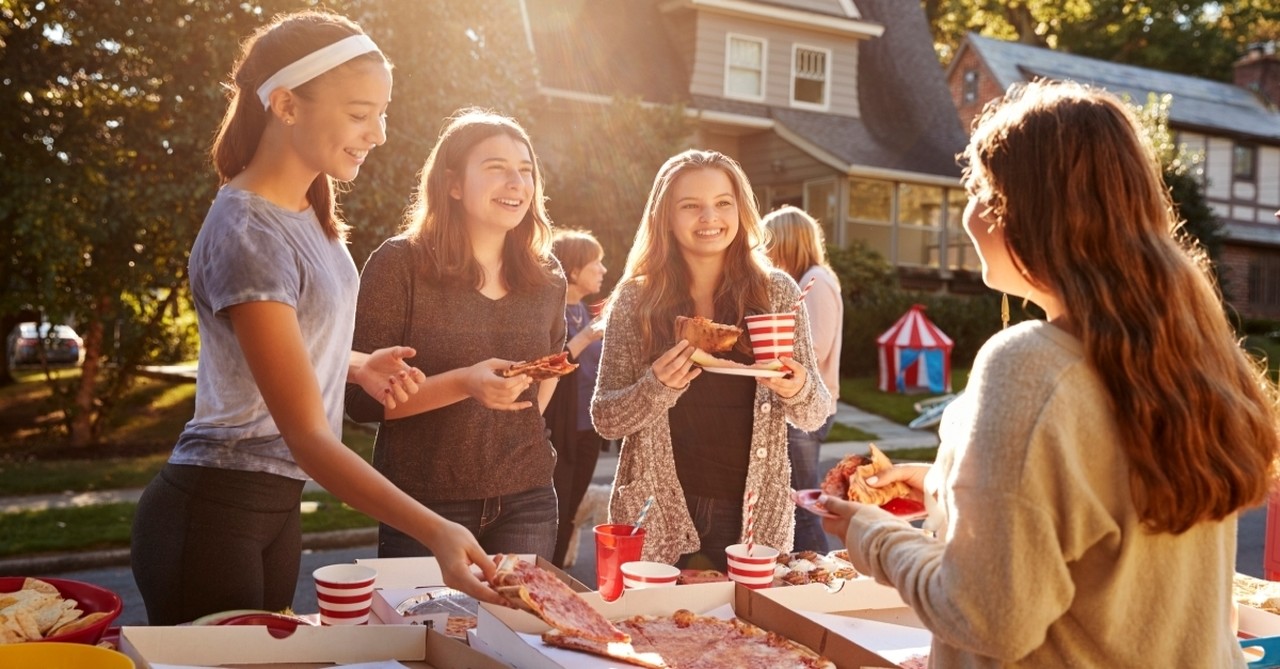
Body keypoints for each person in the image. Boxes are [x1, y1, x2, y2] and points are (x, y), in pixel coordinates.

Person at [820, 80, 1280, 666]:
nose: (969, 214)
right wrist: (944, 484)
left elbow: (987, 617)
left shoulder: (1030, 365)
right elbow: (1095, 515)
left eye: (978, 187)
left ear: (1017, 208)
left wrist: (873, 536)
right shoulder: (1189, 352)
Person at [131, 11, 502, 626]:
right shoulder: (247, 228)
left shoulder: (307, 210)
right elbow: (308, 438)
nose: (379, 134)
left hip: (272, 510)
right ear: (285, 104)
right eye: (360, 114)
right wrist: (436, 530)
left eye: (382, 112)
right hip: (213, 511)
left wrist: (353, 366)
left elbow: (279, 340)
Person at [592, 149, 831, 570]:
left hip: (753, 514)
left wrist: (799, 388)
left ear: (741, 211)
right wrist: (655, 388)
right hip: (655, 507)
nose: (710, 217)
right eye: (691, 206)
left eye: (723, 203)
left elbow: (815, 413)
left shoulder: (776, 293)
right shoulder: (637, 300)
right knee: (655, 632)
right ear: (665, 216)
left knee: (753, 635)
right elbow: (606, 418)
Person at [345, 108, 564, 561]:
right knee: (423, 633)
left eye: (525, 171)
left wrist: (516, 430)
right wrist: (466, 383)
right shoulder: (398, 265)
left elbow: (550, 370)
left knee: (518, 631)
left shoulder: (549, 276)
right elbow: (363, 401)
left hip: (529, 497)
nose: (517, 183)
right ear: (453, 184)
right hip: (423, 503)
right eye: (496, 168)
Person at [762, 206, 843, 553]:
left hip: (805, 410)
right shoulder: (806, 280)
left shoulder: (816, 281)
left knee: (801, 503)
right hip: (796, 404)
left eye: (768, 242)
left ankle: (815, 574)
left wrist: (768, 350)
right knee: (793, 500)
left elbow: (817, 346)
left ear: (786, 242)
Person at [547, 229, 608, 567]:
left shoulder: (585, 311)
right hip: (560, 429)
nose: (602, 269)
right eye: (595, 263)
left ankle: (553, 578)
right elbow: (550, 365)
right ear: (573, 271)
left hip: (589, 430)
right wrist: (587, 336)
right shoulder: (550, 310)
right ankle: (542, 578)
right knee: (556, 510)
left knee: (571, 512)